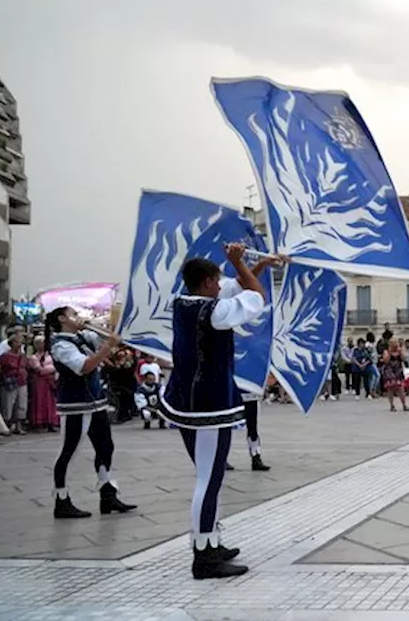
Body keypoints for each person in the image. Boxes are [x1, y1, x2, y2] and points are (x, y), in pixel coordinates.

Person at [159, 243, 268, 579]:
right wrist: (240, 261)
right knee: (208, 479)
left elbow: (240, 286)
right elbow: (256, 295)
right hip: (207, 403)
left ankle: (211, 540)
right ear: (207, 282)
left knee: (210, 477)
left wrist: (257, 264)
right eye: (217, 281)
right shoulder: (215, 313)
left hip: (186, 400)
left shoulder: (185, 303)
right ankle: (203, 555)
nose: (221, 286)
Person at [46, 306, 136, 519]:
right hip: (75, 404)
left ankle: (108, 493)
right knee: (69, 451)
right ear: (62, 319)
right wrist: (107, 348)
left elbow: (110, 343)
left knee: (106, 447)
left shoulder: (82, 336)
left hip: (96, 401)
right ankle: (62, 499)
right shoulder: (60, 345)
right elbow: (85, 366)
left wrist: (107, 329)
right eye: (73, 314)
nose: (78, 318)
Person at [0, 327, 32, 434]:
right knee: (8, 404)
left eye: (20, 342)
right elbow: (2, 368)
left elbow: (26, 366)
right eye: (17, 342)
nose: (19, 344)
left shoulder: (22, 355)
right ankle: (6, 425)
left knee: (21, 404)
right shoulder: (5, 356)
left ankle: (19, 425)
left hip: (22, 381)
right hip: (10, 381)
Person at [28, 336, 60, 432]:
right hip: (40, 383)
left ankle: (52, 422)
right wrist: (51, 369)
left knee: (52, 403)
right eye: (40, 343)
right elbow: (39, 370)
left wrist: (50, 369)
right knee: (40, 401)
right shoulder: (34, 357)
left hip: (51, 382)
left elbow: (57, 366)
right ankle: (40, 423)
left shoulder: (51, 355)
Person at [135, 360, 165, 429]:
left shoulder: (159, 387)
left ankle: (162, 423)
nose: (152, 381)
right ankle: (147, 423)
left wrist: (160, 409)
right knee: (146, 413)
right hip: (148, 408)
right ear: (145, 379)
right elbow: (142, 405)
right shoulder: (140, 390)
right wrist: (154, 411)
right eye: (150, 379)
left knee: (164, 410)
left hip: (157, 407)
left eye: (153, 379)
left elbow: (163, 398)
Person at [381, 340, 409, 412]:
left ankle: (404, 404)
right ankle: (392, 405)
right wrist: (390, 353)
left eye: (395, 343)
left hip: (398, 371)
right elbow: (386, 361)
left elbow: (404, 359)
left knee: (400, 388)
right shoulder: (386, 351)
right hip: (389, 372)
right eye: (393, 344)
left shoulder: (399, 351)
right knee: (390, 388)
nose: (395, 345)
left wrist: (401, 352)